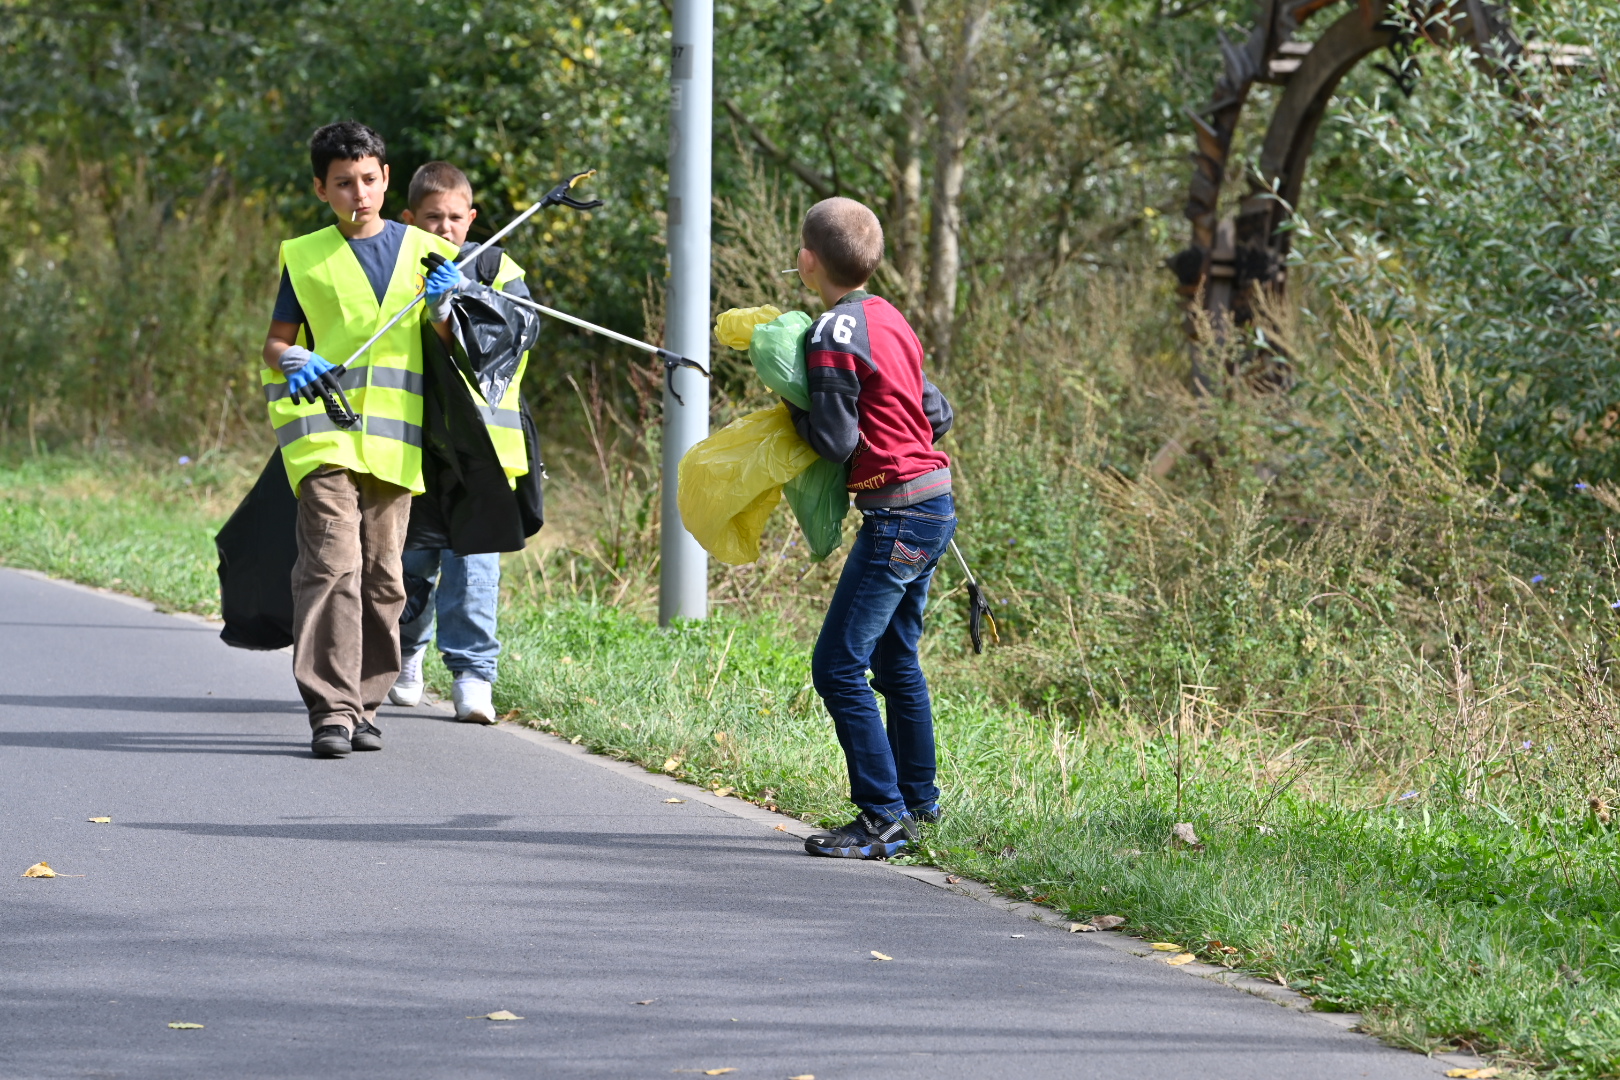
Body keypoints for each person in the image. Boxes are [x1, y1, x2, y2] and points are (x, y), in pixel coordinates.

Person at [261, 121, 466, 758]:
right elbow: (275, 342)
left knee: (384, 578)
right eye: (344, 183)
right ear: (322, 188)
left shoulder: (424, 253)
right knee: (330, 565)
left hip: (393, 445)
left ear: (384, 177)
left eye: (370, 180)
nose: (360, 193)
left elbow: (453, 351)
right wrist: (294, 359)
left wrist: (441, 310)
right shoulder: (306, 255)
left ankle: (366, 703)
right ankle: (330, 709)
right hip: (323, 433)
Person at [788, 197, 956, 859]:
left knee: (836, 666)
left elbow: (833, 440)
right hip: (935, 503)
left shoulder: (831, 333)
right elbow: (936, 413)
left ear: (807, 260)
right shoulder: (889, 317)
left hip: (896, 519)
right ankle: (920, 802)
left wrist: (788, 414)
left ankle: (882, 819)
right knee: (894, 660)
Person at [386, 161, 535, 724]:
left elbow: (513, 340)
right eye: (431, 218)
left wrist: (459, 303)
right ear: (408, 219)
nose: (444, 228)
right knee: (409, 564)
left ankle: (473, 676)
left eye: (454, 218)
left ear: (471, 218)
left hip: (483, 455)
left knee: (474, 568)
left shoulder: (496, 265)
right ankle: (405, 655)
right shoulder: (392, 267)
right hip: (412, 445)